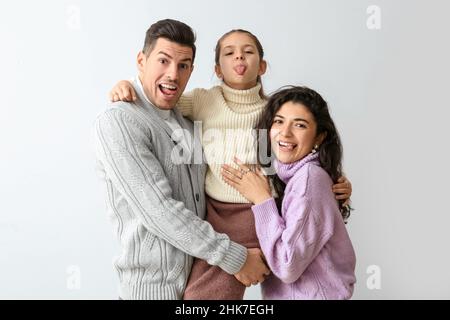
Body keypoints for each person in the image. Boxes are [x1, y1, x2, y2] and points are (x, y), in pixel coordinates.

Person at [109, 29, 353, 299]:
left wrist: (334, 180)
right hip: (213, 215)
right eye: (229, 52)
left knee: (283, 282)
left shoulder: (273, 110)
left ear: (262, 66)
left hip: (259, 211)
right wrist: (128, 85)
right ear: (217, 69)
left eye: (248, 52)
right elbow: (162, 98)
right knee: (200, 294)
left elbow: (295, 159)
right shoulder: (204, 100)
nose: (239, 56)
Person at [93, 19, 270, 300]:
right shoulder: (120, 121)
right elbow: (160, 211)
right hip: (152, 290)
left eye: (183, 65)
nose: (173, 74)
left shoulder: (185, 119)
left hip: (198, 282)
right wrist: (236, 259)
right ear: (142, 61)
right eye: (163, 61)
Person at [221, 86, 357, 299]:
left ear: (319, 137)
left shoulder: (309, 179)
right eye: (278, 121)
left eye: (300, 125)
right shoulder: (295, 178)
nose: (285, 132)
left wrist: (261, 199)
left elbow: (287, 264)